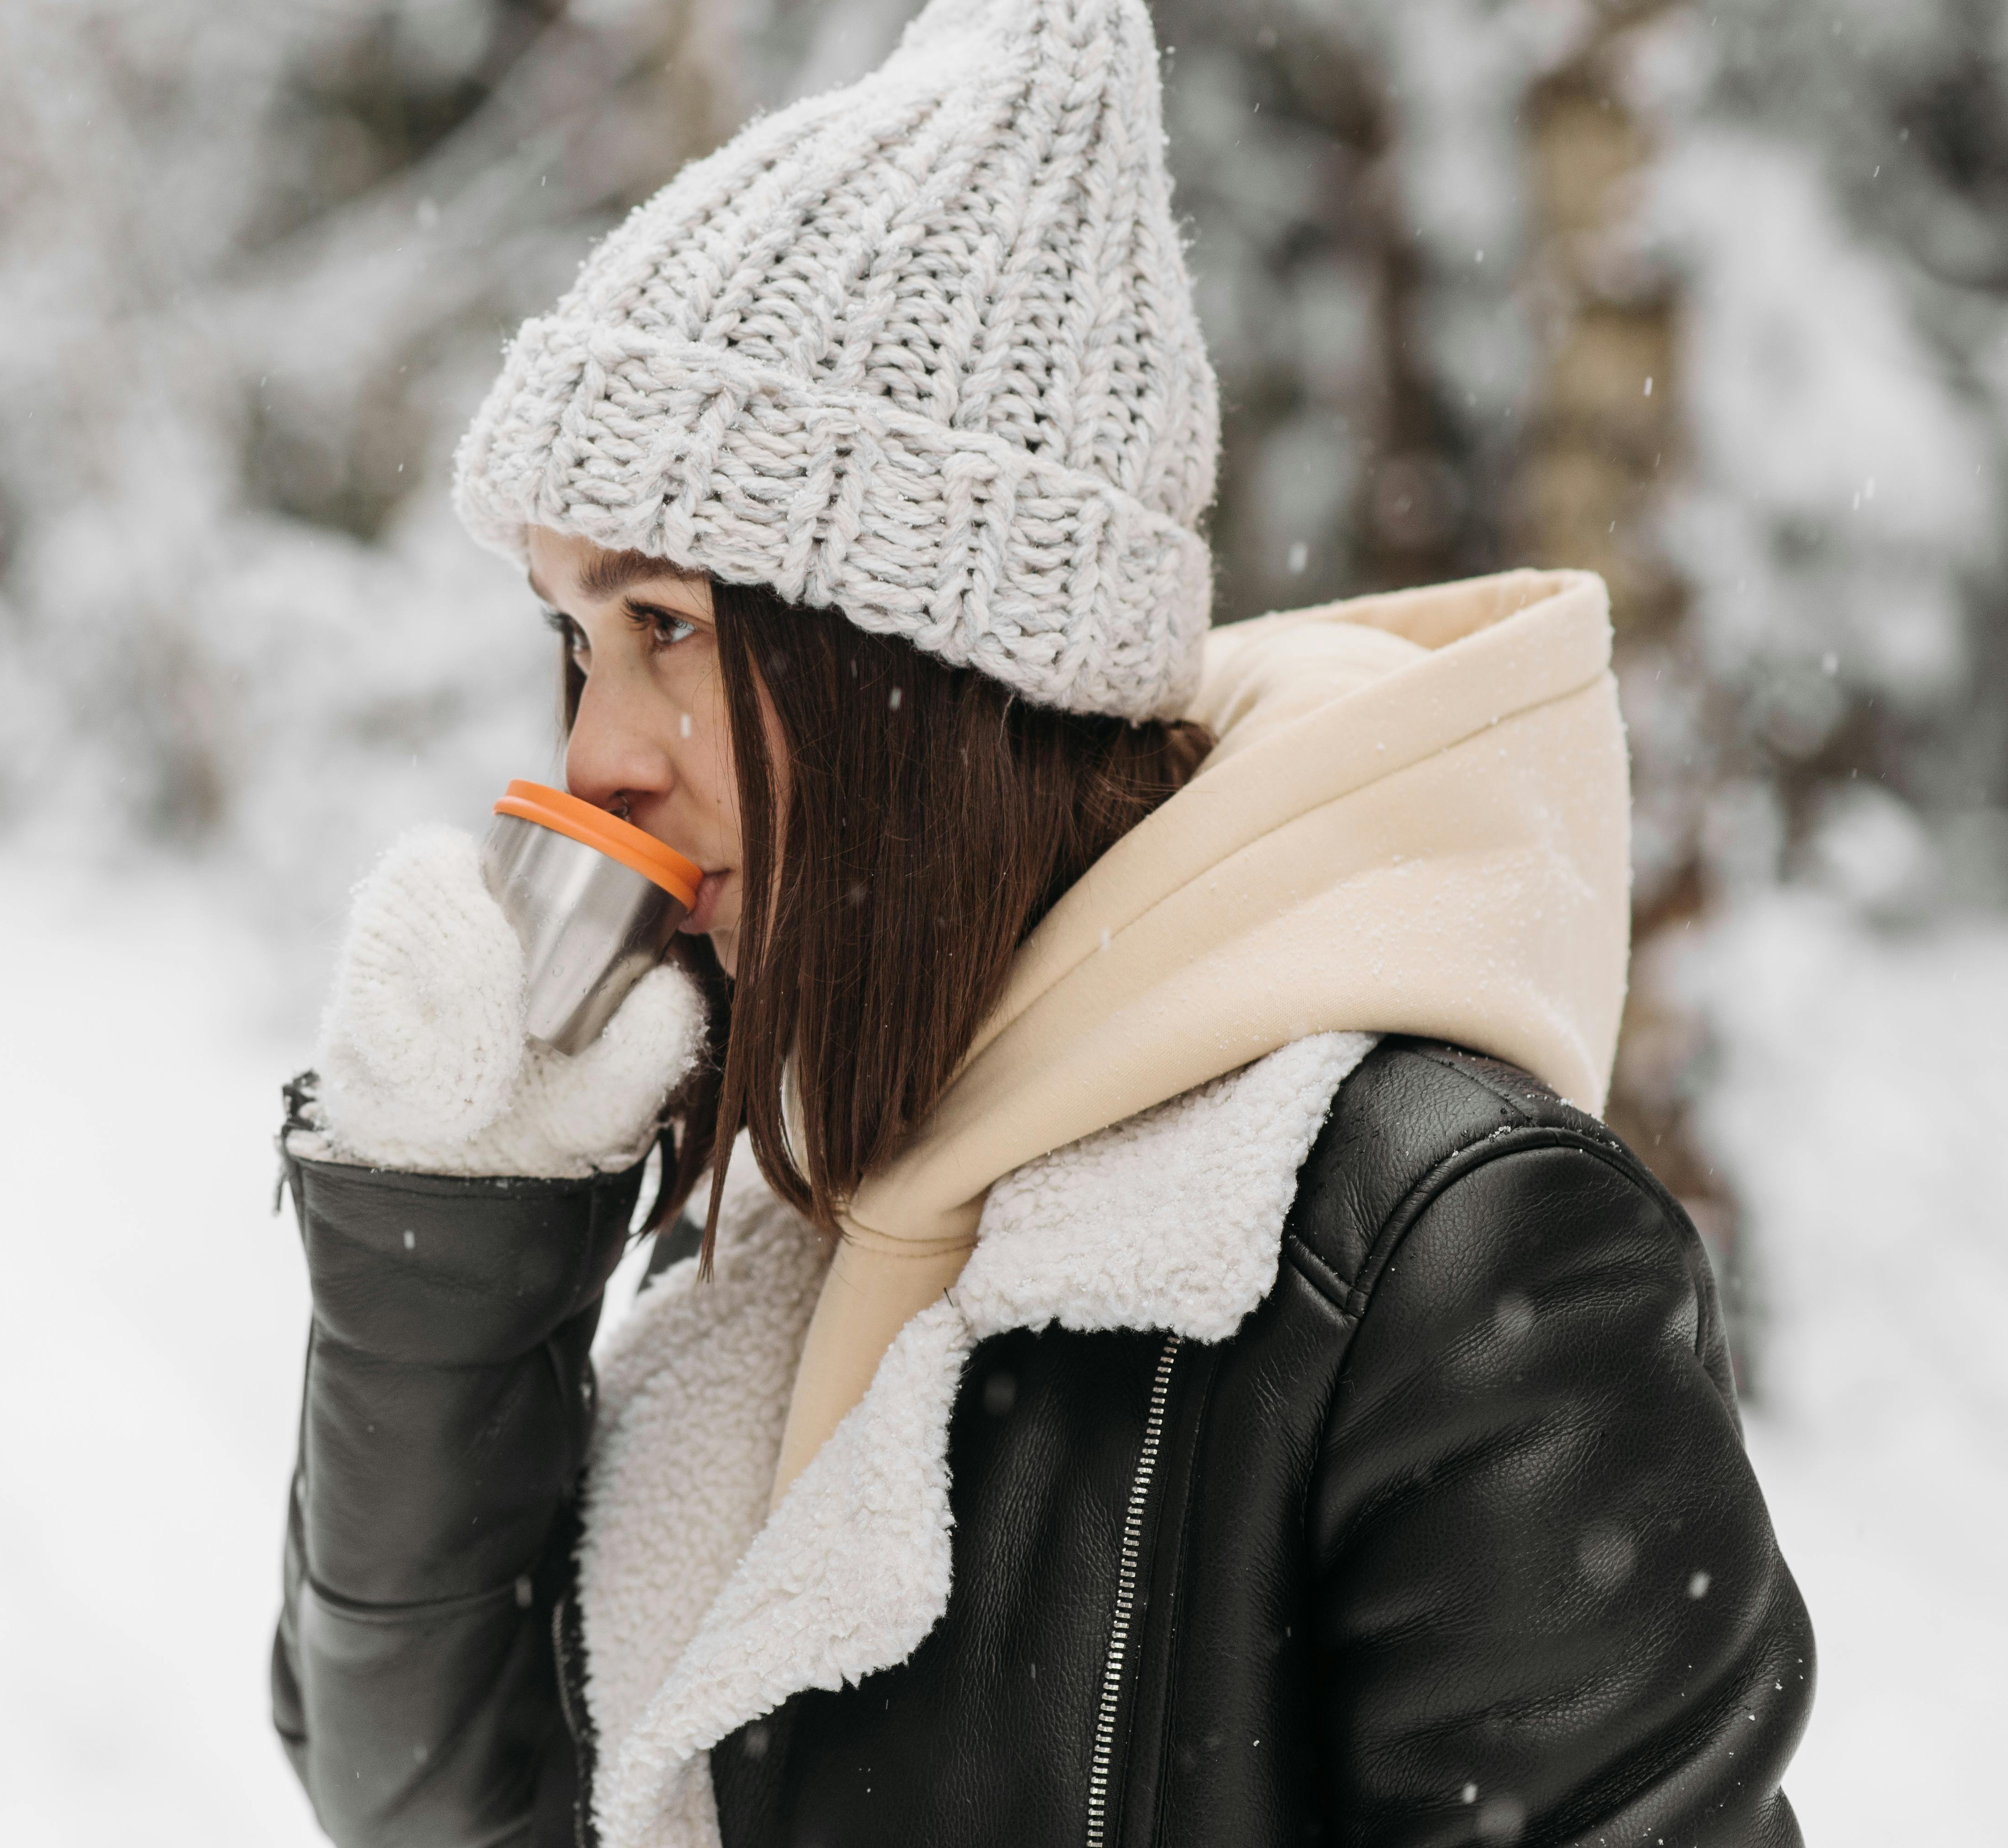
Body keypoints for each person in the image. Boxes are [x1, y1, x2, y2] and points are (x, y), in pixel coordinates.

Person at [267, 0, 1814, 1842]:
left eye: (666, 623)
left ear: (918, 649)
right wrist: (455, 1255)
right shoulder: (808, 1177)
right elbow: (450, 1811)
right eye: (572, 639)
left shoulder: (1438, 1247)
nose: (597, 751)